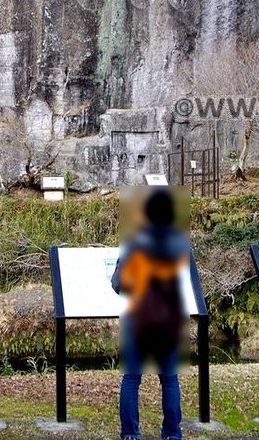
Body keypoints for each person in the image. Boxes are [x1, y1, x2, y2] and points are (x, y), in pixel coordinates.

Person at [111, 187, 191, 440]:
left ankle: (131, 434)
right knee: (169, 380)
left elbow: (118, 284)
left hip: (138, 318)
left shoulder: (135, 243)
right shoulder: (180, 243)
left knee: (132, 379)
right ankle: (171, 434)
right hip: (169, 319)